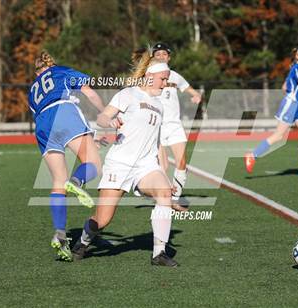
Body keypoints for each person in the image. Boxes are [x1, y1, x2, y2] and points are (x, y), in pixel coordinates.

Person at [72, 51, 178, 267]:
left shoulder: (159, 105)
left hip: (145, 166)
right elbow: (102, 117)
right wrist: (108, 122)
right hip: (119, 164)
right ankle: (83, 241)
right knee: (102, 220)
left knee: (164, 193)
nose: (165, 83)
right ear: (150, 75)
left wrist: (165, 175)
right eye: (163, 78)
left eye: (167, 79)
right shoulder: (128, 94)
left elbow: (157, 143)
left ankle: (159, 254)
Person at [28, 51, 105, 261]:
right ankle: (77, 181)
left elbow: (41, 114)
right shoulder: (61, 71)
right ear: (51, 65)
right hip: (63, 112)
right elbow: (88, 93)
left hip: (42, 125)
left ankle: (60, 234)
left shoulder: (32, 89)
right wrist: (105, 112)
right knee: (94, 164)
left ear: (37, 71)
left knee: (57, 182)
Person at [245, 45, 298, 177]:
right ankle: (252, 156)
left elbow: (284, 87)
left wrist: (296, 95)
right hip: (291, 105)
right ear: (297, 56)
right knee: (278, 135)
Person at [150, 42, 202, 208]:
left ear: (169, 57)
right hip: (155, 126)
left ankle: (175, 199)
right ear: (153, 57)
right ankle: (162, 196)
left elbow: (191, 90)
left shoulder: (175, 76)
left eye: (164, 54)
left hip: (174, 125)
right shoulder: (147, 76)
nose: (160, 57)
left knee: (181, 163)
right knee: (161, 166)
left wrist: (196, 96)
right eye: (157, 54)